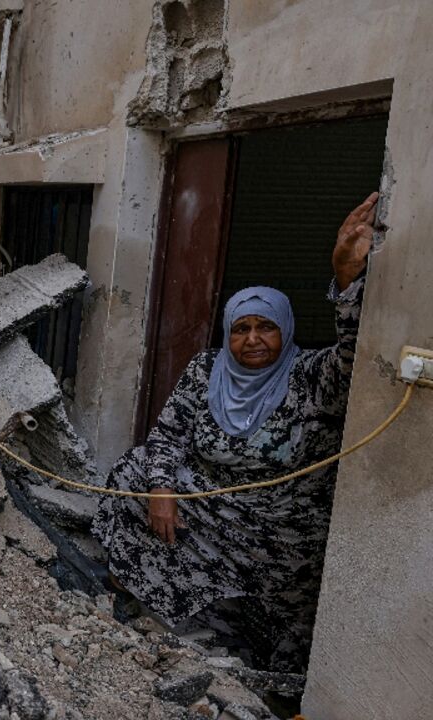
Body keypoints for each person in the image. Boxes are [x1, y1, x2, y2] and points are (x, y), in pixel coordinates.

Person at [92, 193, 379, 672]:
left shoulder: (313, 376)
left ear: (286, 331)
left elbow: (355, 354)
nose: (252, 339)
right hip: (212, 504)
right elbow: (168, 436)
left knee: (276, 640)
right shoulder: (208, 369)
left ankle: (260, 668)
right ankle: (159, 600)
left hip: (283, 529)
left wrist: (348, 277)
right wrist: (162, 490)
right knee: (134, 472)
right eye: (240, 328)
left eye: (265, 327)